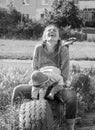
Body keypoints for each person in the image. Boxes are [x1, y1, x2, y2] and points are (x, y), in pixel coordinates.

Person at [11, 24, 77, 130]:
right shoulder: (38, 48)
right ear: (45, 36)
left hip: (56, 85)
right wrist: (39, 82)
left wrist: (54, 83)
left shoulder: (63, 49)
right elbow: (35, 69)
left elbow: (64, 73)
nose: (52, 31)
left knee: (71, 97)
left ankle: (70, 126)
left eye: (55, 30)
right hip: (40, 84)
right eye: (49, 30)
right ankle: (15, 121)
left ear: (58, 37)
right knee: (17, 90)